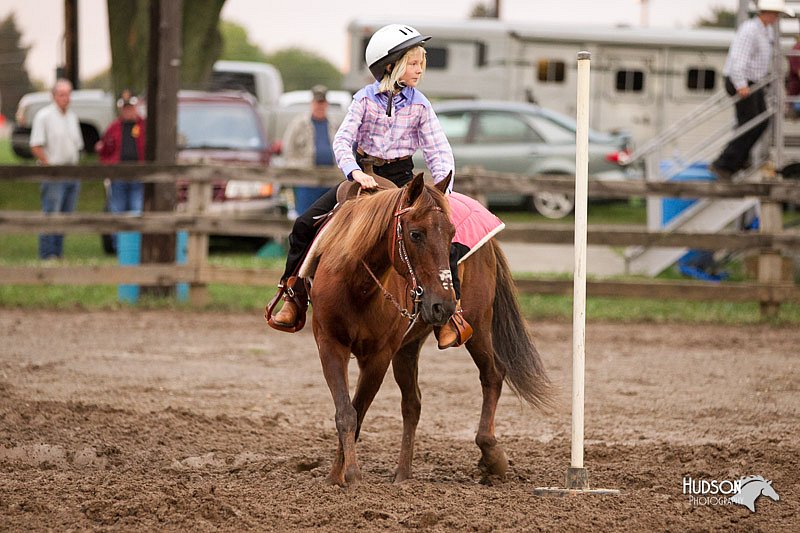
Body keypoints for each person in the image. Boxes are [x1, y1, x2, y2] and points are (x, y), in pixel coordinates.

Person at [270, 23, 471, 349]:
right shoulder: (363, 100)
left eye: (422, 63)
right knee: (305, 224)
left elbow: (438, 150)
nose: (420, 69)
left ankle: (449, 314)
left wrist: (441, 191)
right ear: (390, 66)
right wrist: (353, 172)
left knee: (438, 233)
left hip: (406, 181)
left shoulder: (420, 104)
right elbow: (343, 140)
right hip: (364, 178)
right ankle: (293, 294)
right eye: (414, 63)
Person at [710, 0, 795, 181]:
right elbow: (738, 58)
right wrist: (741, 84)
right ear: (768, 13)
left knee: (758, 122)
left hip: (753, 82)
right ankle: (724, 164)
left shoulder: (765, 31)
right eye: (775, 14)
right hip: (742, 82)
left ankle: (738, 160)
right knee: (749, 124)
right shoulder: (750, 30)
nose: (776, 18)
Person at [30, 78, 84, 260]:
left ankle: (58, 253)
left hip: (72, 172)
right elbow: (36, 145)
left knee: (66, 215)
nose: (65, 98)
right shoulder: (44, 116)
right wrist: (48, 165)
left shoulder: (72, 117)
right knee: (51, 213)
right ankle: (47, 254)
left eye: (68, 94)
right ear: (53, 96)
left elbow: (77, 145)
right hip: (53, 173)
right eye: (61, 94)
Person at [95, 90, 147, 252]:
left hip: (138, 176)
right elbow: (104, 151)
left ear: (136, 106)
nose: (127, 111)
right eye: (124, 108)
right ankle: (120, 248)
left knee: (136, 209)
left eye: (130, 107)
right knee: (117, 211)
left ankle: (134, 247)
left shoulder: (144, 126)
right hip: (118, 177)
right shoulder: (114, 128)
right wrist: (108, 169)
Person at [282, 85, 338, 216]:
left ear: (326, 104)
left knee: (329, 216)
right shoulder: (299, 124)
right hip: (307, 180)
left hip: (330, 179)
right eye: (317, 103)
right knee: (305, 215)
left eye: (322, 103)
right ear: (312, 103)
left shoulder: (333, 124)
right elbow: (288, 149)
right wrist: (296, 170)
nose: (320, 106)